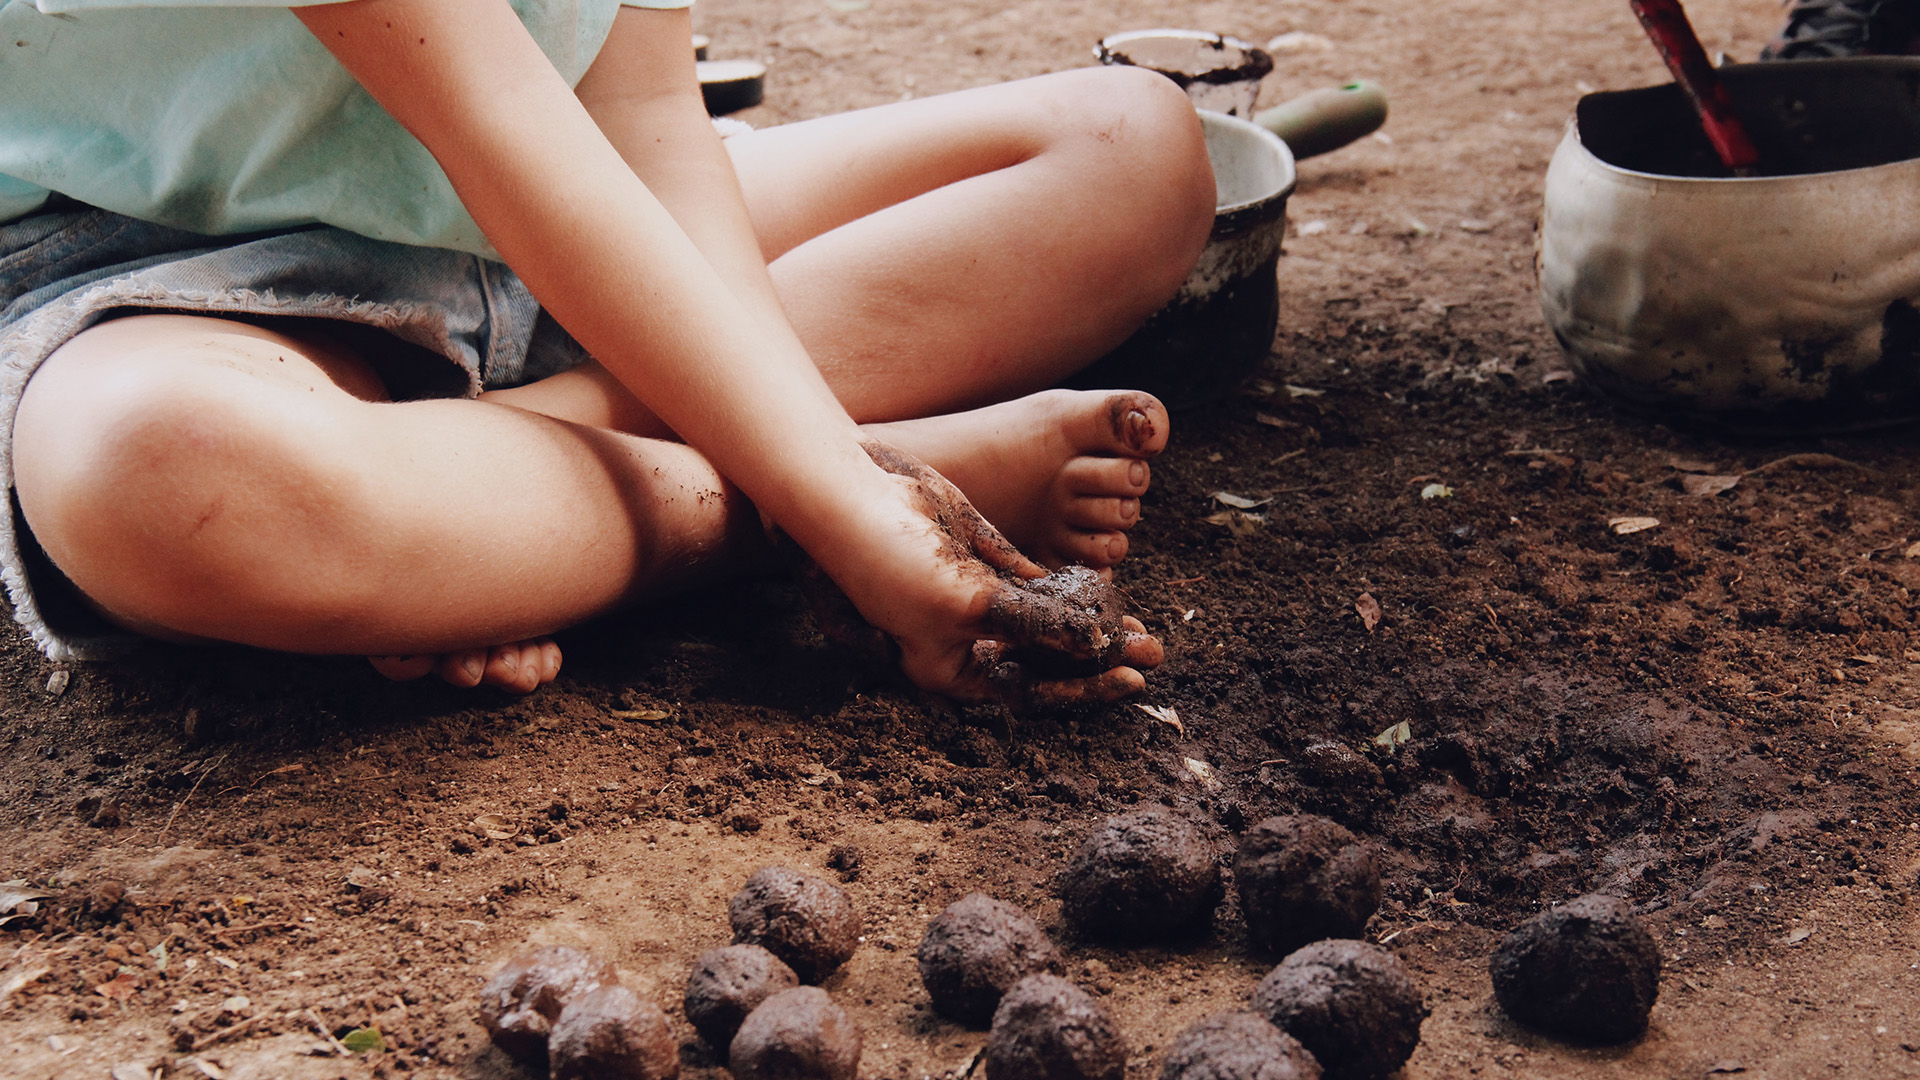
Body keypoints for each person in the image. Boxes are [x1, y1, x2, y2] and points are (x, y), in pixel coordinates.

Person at [0, 1, 1217, 701]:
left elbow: (639, 126)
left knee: (1131, 146)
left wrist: (820, 467)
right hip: (157, 277)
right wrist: (846, 511)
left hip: (546, 216)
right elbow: (488, 112)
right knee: (160, 474)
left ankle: (500, 522)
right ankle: (769, 505)